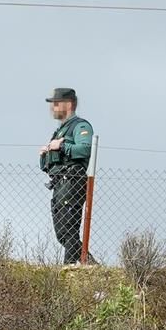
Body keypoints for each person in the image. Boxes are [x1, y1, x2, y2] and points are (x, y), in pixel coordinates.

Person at [39, 88, 94, 265]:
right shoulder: (60, 131)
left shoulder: (80, 126)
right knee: (62, 232)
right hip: (59, 183)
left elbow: (85, 149)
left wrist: (61, 147)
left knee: (69, 228)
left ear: (69, 104)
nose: (52, 108)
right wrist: (46, 154)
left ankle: (70, 266)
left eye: (56, 103)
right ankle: (89, 264)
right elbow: (49, 165)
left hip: (72, 180)